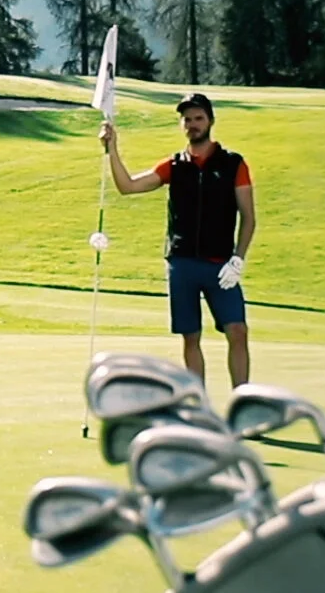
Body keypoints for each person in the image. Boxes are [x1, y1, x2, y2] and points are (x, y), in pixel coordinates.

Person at [99, 91, 258, 387]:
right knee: (190, 336)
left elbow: (248, 217)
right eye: (187, 120)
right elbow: (128, 186)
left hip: (221, 264)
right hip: (182, 263)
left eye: (198, 118)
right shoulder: (173, 166)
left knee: (238, 331)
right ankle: (197, 402)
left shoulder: (234, 164)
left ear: (210, 121)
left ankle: (242, 400)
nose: (192, 124)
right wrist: (112, 149)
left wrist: (238, 259)